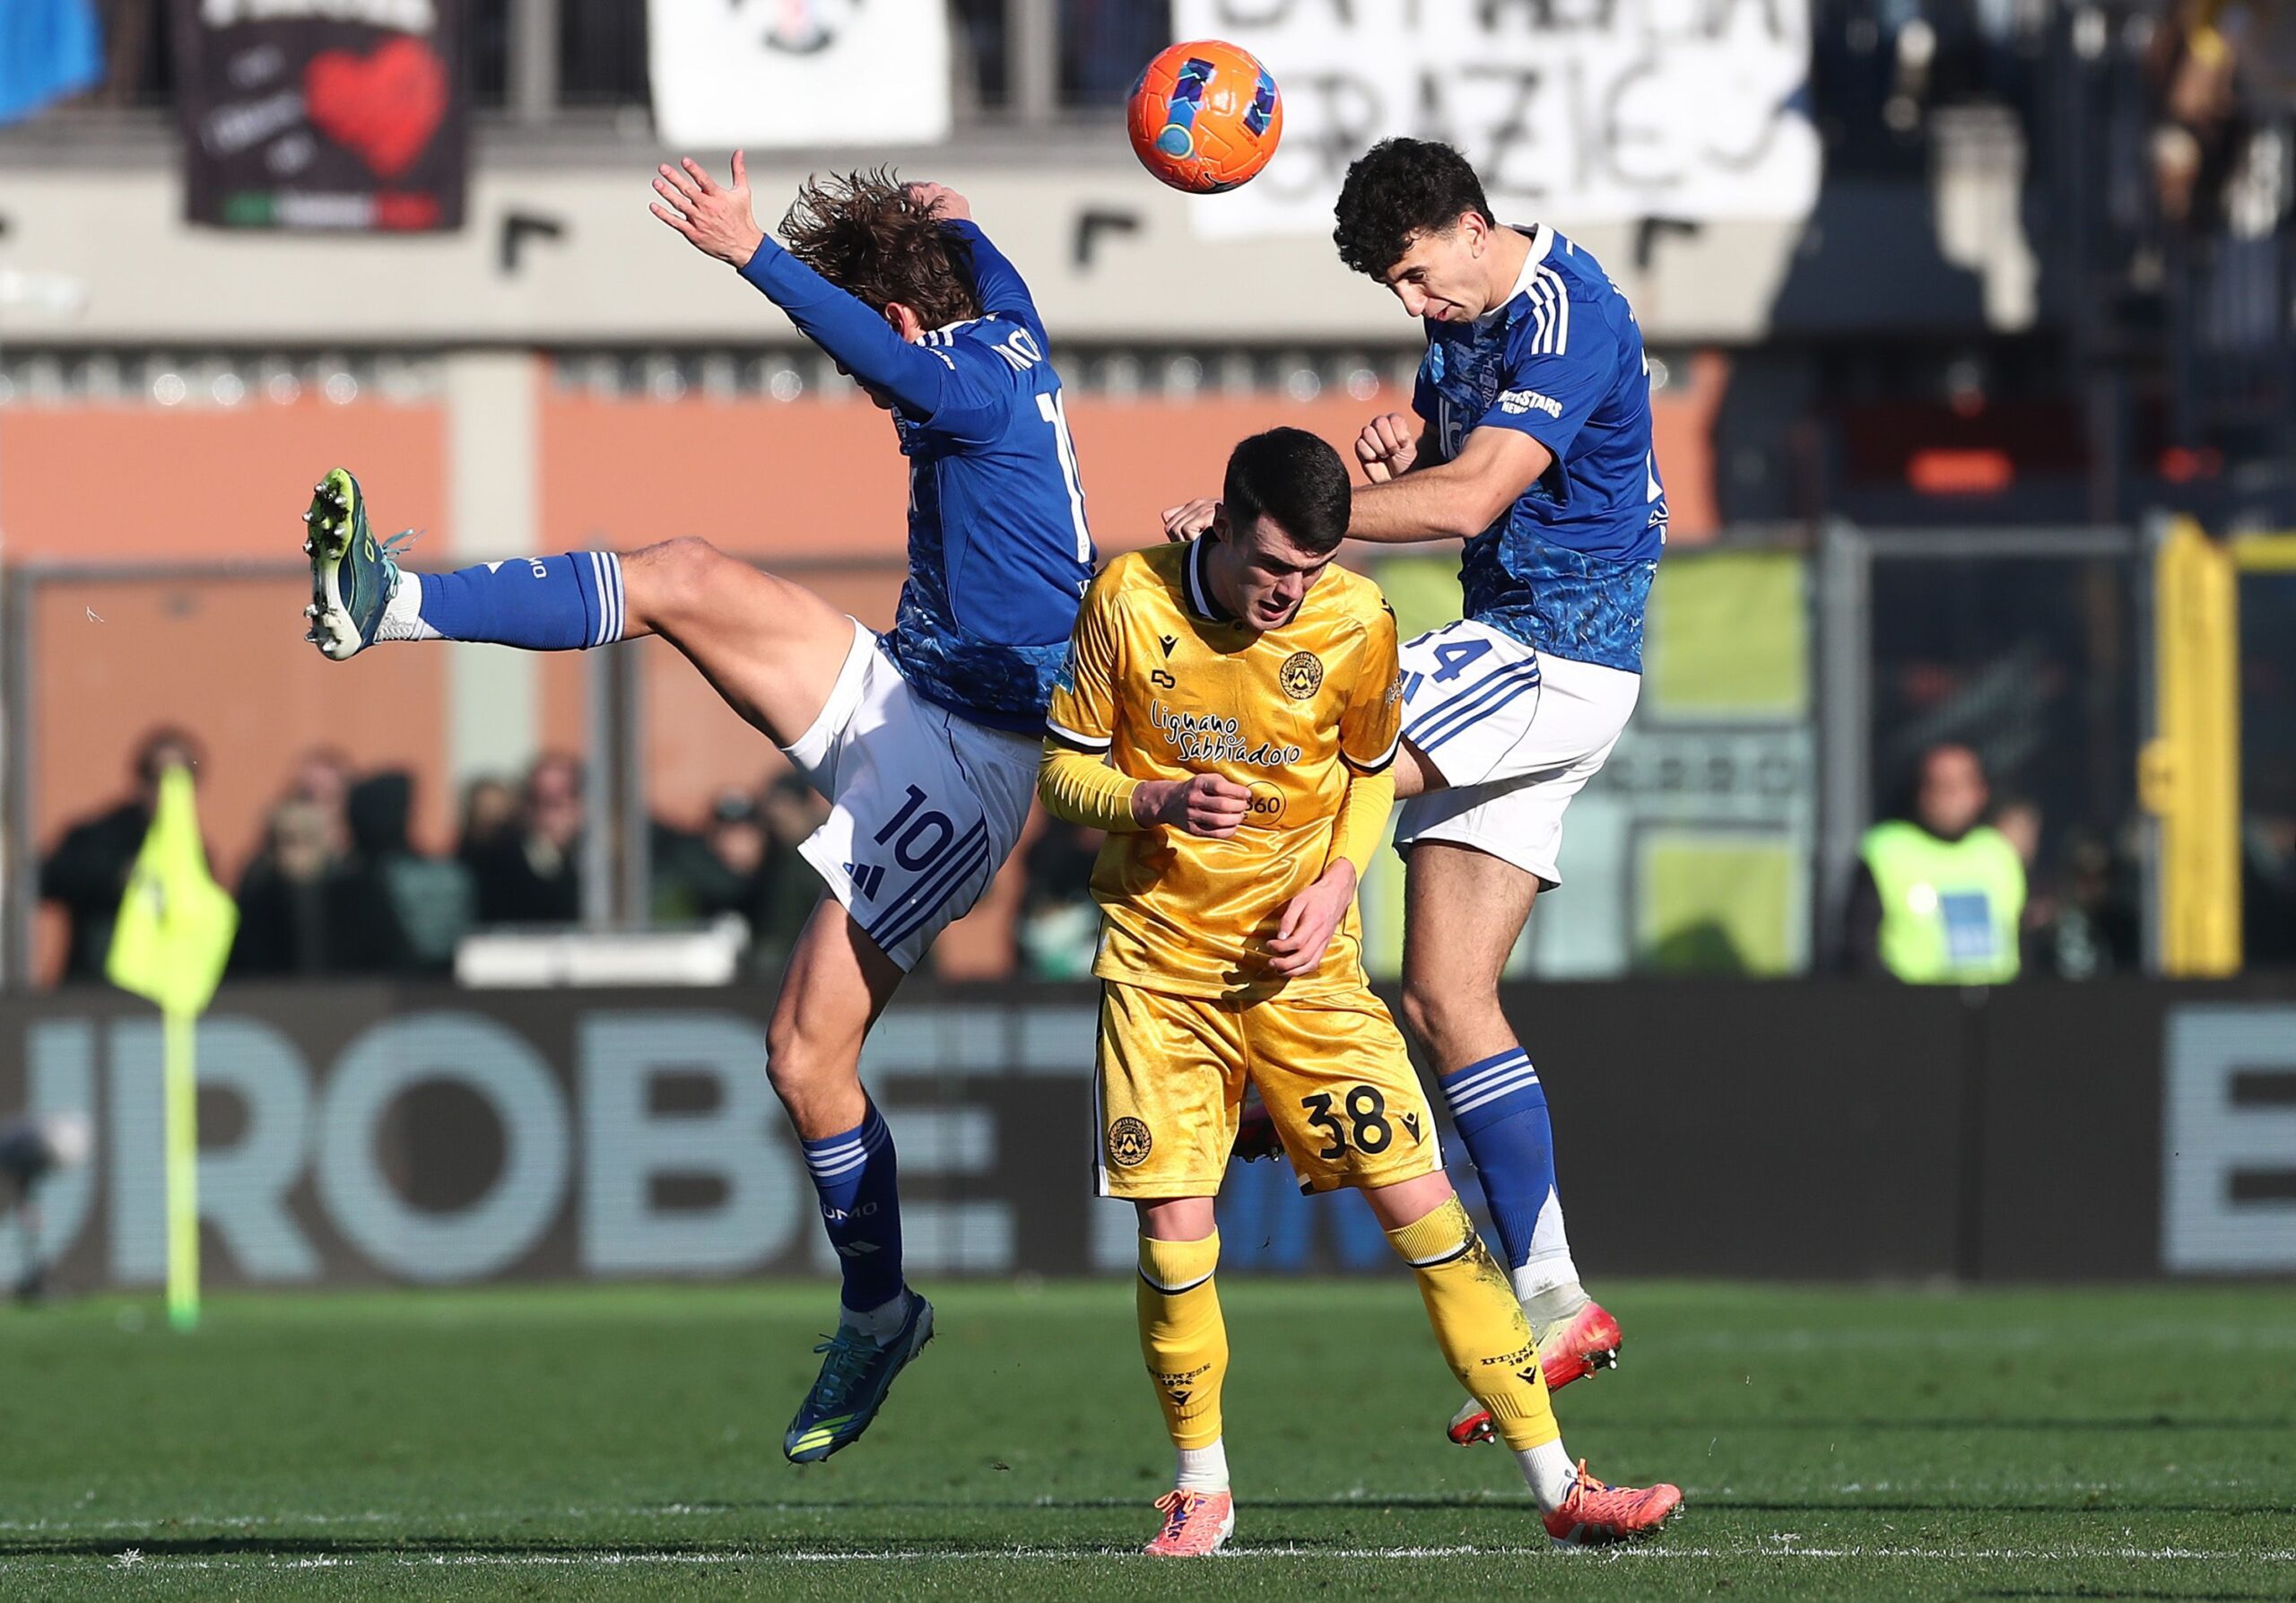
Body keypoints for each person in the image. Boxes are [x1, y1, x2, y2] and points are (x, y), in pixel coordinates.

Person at [296, 161, 1092, 1462]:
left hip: (973, 763)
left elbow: (895, 362)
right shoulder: (1008, 320)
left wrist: (753, 253)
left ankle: (879, 1313)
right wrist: (947, 214)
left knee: (804, 1058)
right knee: (682, 572)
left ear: (903, 323)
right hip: (907, 683)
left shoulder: (966, 379)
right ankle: (395, 605)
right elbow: (965, 246)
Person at [1041, 428, 1680, 1556]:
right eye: (1270, 565)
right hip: (1160, 971)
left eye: (1309, 568)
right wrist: (1152, 800)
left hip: (1309, 979)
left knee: (1427, 1212)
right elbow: (1061, 769)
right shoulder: (1128, 600)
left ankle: (1562, 1486)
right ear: (1223, 522)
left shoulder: (1356, 619)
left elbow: (1374, 772)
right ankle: (1200, 1488)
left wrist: (1340, 878)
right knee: (1177, 1235)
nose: (1289, 591)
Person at [1166, 136, 1664, 1446]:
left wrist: (1293, 525)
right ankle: (1556, 1296)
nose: (1411, 301)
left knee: (1306, 755)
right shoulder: (1463, 317)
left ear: (1469, 225)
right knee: (1447, 995)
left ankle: (1258, 1058)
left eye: (1414, 273)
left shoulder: (1569, 312)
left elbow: (1479, 496)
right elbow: (1457, 461)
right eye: (1392, 287)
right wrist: (1403, 445)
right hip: (1539, 660)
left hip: (1547, 650)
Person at [1844, 742, 2026, 982]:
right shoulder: (1887, 850)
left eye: (1960, 785)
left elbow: (2022, 937)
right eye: (1940, 785)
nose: (1950, 795)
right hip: (1908, 1000)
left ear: (1981, 793)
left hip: (1996, 1000)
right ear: (1922, 793)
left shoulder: (1999, 852)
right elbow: (1861, 946)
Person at [39, 728, 203, 983]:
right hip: (98, 987)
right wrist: (119, 877)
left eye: (180, 779)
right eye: (158, 777)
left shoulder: (195, 852)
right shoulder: (101, 836)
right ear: (141, 781)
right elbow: (48, 879)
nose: (168, 789)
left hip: (164, 988)